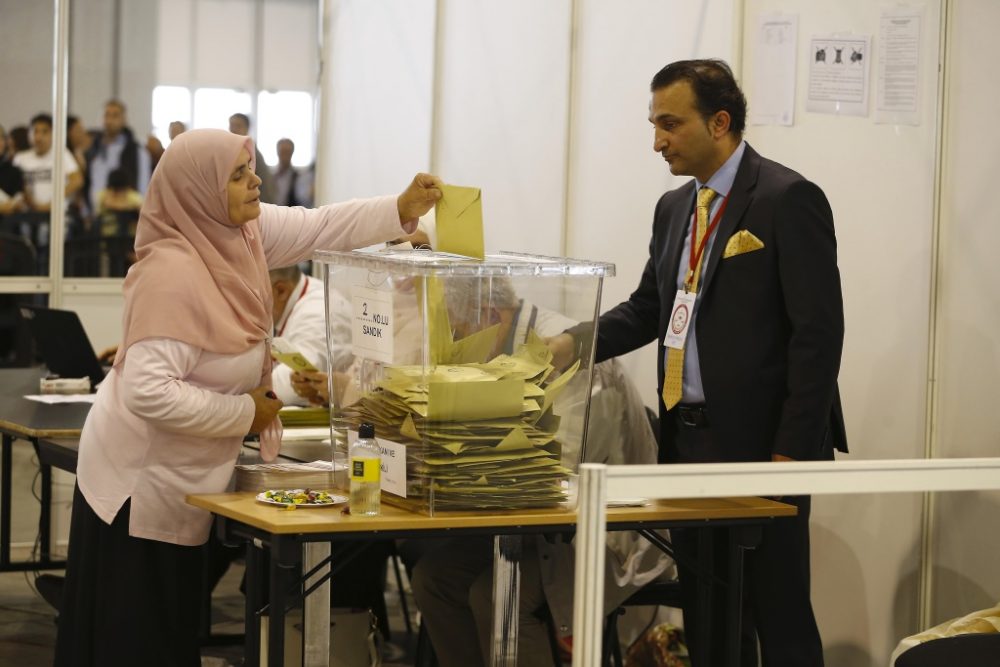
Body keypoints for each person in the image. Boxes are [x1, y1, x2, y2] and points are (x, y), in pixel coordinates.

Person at [53, 128, 441, 666]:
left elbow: (320, 224)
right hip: (140, 485)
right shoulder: (171, 272)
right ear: (200, 189)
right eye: (238, 173)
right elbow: (148, 392)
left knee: (168, 634)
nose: (255, 179)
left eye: (251, 167)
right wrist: (246, 412)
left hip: (185, 474)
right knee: (136, 639)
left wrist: (398, 207)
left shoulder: (241, 235)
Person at [549, 59, 847, 667]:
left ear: (720, 122)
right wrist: (570, 345)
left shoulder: (788, 199)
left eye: (670, 123)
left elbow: (818, 338)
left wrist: (789, 455)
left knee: (778, 611)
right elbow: (650, 309)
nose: (657, 140)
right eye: (654, 123)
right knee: (710, 617)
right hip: (686, 444)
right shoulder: (672, 208)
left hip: (766, 448)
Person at [269, 263, 352, 404]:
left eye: (252, 294)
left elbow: (289, 388)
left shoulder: (316, 311)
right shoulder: (300, 296)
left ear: (280, 290)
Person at [85, 99, 151, 213]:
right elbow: (89, 183)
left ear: (124, 119)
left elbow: (143, 187)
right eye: (107, 115)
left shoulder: (137, 152)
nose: (110, 120)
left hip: (125, 216)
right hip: (96, 218)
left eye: (115, 115)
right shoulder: (94, 150)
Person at [229, 112, 274, 204]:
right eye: (231, 125)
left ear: (247, 129)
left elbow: (265, 189)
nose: (233, 129)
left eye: (238, 126)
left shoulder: (250, 153)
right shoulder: (235, 150)